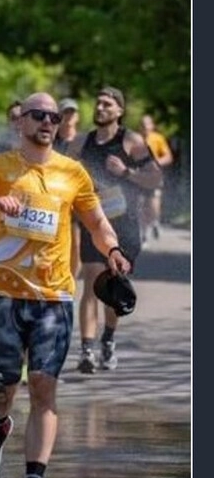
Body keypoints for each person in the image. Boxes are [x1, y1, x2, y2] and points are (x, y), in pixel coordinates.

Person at [0, 92, 130, 478]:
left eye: (54, 117)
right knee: (4, 387)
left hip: (54, 301)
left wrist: (114, 251)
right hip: (8, 299)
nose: (48, 122)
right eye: (39, 116)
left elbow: (98, 223)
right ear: (20, 123)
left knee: (44, 389)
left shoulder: (72, 172)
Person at [70, 87, 162, 375]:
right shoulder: (81, 142)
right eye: (98, 103)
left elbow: (155, 178)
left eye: (107, 105)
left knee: (112, 284)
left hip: (124, 225)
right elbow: (63, 172)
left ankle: (107, 340)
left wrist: (126, 172)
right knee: (91, 283)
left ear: (119, 111)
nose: (100, 108)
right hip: (93, 221)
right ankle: (86, 350)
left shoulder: (132, 142)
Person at [54, 98, 82, 275]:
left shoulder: (84, 141)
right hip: (53, 199)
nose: (69, 116)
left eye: (72, 112)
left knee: (75, 243)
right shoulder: (50, 140)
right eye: (65, 112)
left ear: (77, 116)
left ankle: (69, 287)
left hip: (76, 199)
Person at [138, 114, 174, 241]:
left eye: (147, 124)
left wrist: (157, 162)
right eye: (142, 124)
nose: (145, 127)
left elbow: (168, 157)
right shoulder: (135, 140)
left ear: (152, 126)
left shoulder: (158, 139)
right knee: (141, 202)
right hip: (139, 176)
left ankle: (155, 222)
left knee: (154, 199)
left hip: (155, 175)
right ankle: (144, 232)